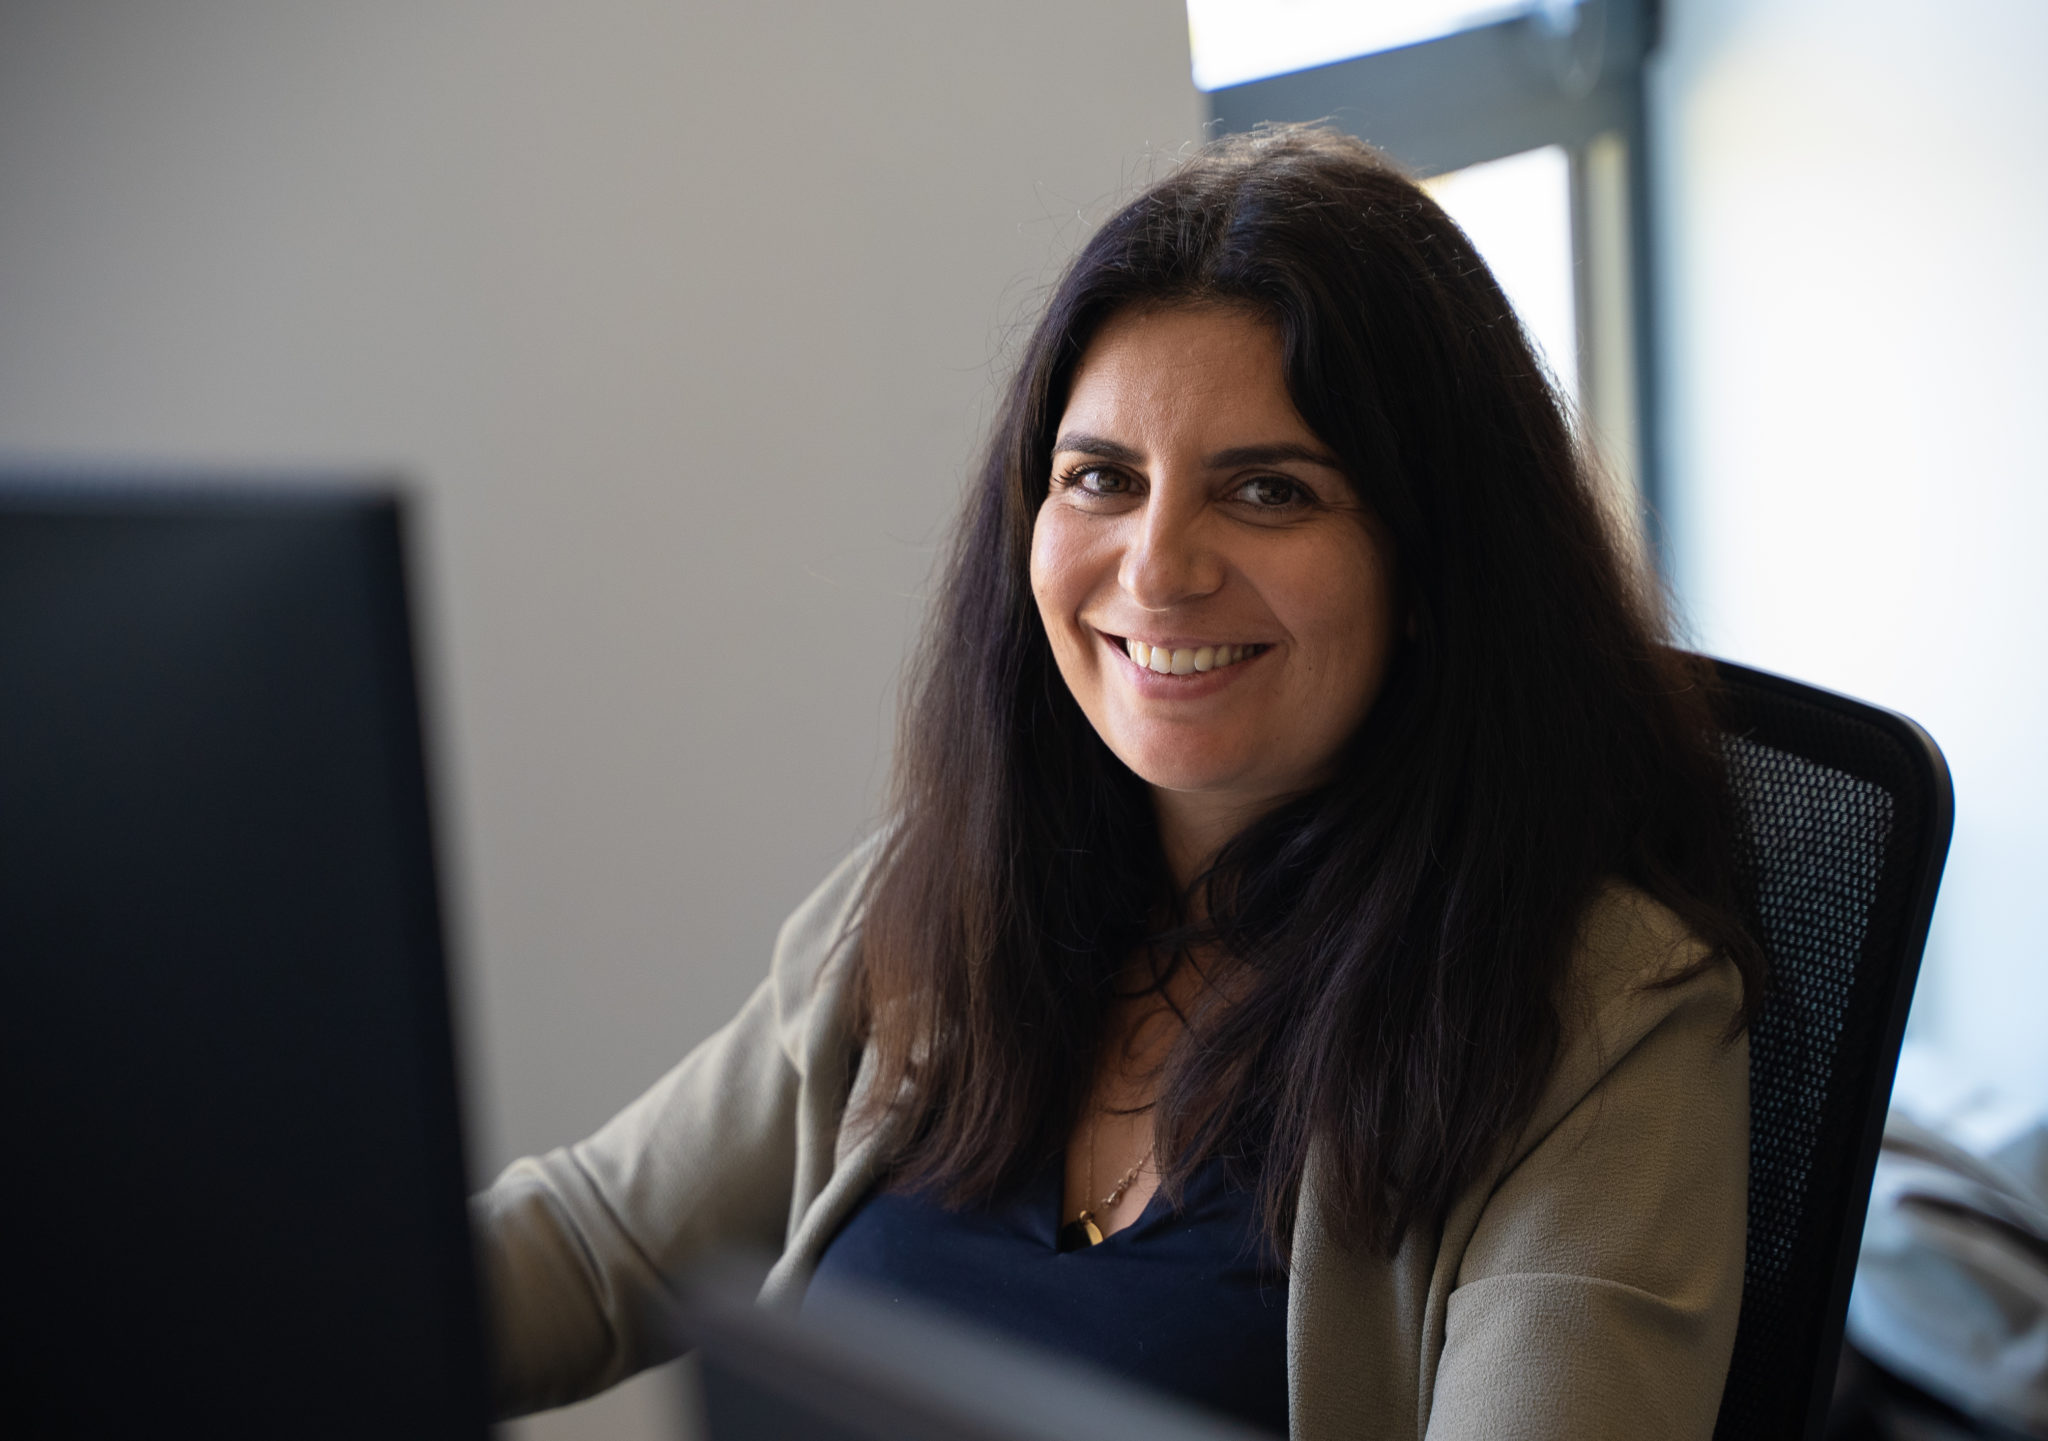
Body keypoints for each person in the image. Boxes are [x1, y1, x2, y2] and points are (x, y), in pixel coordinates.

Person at [473, 124, 1764, 1440]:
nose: (1157, 569)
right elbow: (591, 1245)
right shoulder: (956, 896)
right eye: (1102, 477)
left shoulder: (1598, 1023)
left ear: (1434, 568)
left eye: (1268, 490)